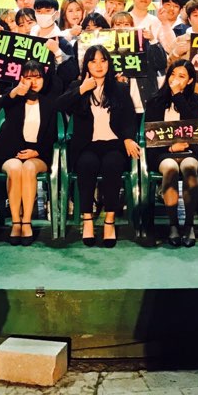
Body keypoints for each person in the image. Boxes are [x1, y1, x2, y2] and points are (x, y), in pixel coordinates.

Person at [57, 45, 140, 247]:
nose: (99, 65)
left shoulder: (119, 87)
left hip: (114, 144)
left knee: (113, 165)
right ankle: (87, 220)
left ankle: (109, 220)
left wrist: (128, 138)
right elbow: (59, 106)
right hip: (87, 144)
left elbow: (129, 118)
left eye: (103, 60)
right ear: (86, 64)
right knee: (87, 165)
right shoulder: (78, 85)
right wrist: (81, 90)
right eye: (93, 61)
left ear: (109, 63)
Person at [0, 60, 58, 246]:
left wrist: (36, 151)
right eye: (28, 78)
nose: (33, 82)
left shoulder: (50, 103)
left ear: (44, 79)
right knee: (15, 168)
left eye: (37, 77)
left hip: (38, 154)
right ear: (21, 79)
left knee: (28, 168)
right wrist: (15, 92)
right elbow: (2, 102)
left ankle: (26, 221)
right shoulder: (15, 100)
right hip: (11, 152)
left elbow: (52, 135)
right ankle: (15, 221)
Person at [144, 60, 198, 247]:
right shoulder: (155, 100)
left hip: (189, 151)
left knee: (189, 167)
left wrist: (178, 95)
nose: (175, 79)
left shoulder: (195, 100)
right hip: (163, 152)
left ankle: (189, 225)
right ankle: (173, 226)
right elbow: (151, 135)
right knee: (170, 168)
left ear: (189, 81)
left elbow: (192, 125)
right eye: (172, 74)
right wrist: (170, 149)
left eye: (182, 76)